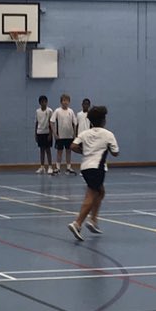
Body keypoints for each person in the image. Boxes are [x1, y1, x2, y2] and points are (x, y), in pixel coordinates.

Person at [67, 106, 119, 241]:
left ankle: (93, 221)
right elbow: (115, 153)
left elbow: (73, 146)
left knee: (100, 192)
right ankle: (77, 223)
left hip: (85, 168)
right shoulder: (108, 134)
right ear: (103, 121)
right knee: (91, 195)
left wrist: (84, 152)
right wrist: (106, 147)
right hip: (98, 168)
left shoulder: (84, 133)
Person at [50, 94, 77, 175]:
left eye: (67, 100)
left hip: (69, 136)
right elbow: (52, 122)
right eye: (64, 100)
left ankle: (68, 167)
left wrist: (74, 134)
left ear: (69, 102)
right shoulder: (57, 111)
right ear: (61, 102)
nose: (65, 102)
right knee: (59, 152)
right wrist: (55, 133)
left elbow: (75, 123)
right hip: (60, 136)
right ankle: (58, 168)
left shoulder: (71, 111)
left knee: (68, 151)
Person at [35, 95, 54, 174]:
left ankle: (50, 166)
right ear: (40, 103)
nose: (44, 103)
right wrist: (35, 133)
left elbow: (51, 123)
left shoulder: (49, 111)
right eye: (42, 102)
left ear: (47, 102)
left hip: (47, 133)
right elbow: (36, 122)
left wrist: (50, 133)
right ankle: (42, 166)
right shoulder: (37, 111)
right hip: (40, 132)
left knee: (48, 150)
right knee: (41, 150)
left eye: (45, 102)